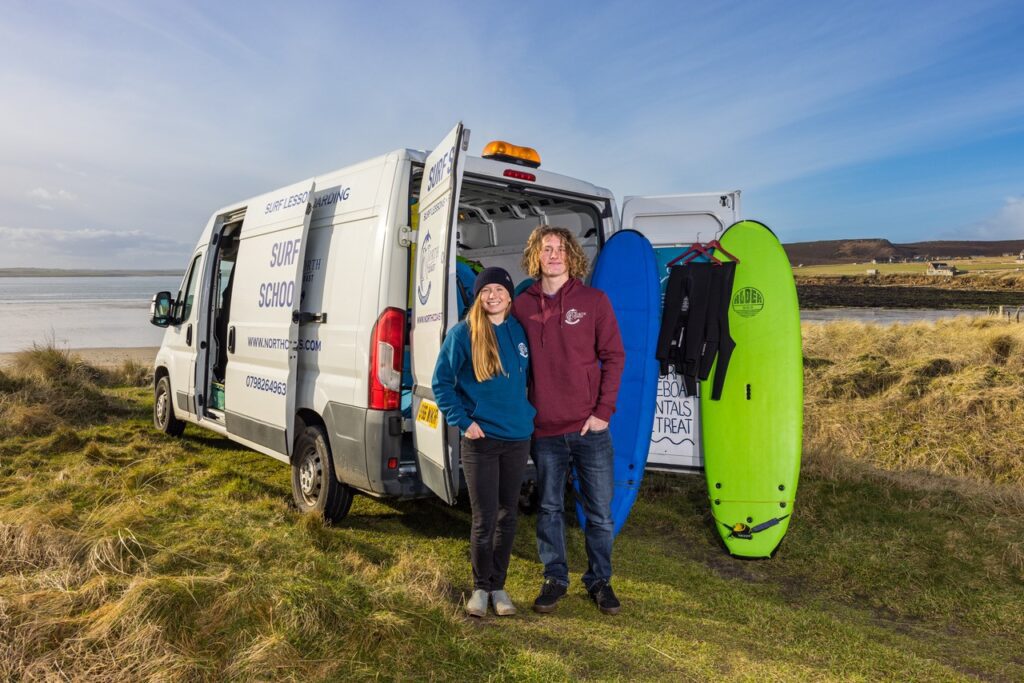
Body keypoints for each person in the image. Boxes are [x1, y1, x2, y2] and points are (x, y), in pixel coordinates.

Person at [512, 225, 625, 615]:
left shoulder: (594, 300)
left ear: (571, 255)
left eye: (560, 248)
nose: (554, 254)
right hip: (544, 430)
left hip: (588, 428)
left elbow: (614, 357)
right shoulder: (521, 304)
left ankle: (599, 580)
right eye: (547, 248)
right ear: (537, 256)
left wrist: (602, 413)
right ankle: (555, 578)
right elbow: (505, 354)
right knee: (549, 509)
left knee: (599, 513)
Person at [432, 267, 536, 618]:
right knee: (484, 517)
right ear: (478, 296)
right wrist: (464, 422)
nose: (493, 295)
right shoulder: (463, 334)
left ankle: (498, 586)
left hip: (517, 437)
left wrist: (528, 414)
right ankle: (480, 588)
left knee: (509, 515)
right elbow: (441, 383)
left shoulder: (519, 332)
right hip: (481, 440)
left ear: (510, 295)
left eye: (499, 289)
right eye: (485, 290)